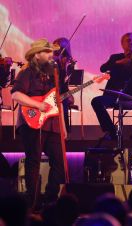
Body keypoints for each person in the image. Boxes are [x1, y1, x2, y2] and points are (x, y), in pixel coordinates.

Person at [11, 38, 66, 208]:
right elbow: (16, 95)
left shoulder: (54, 74)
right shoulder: (27, 73)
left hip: (53, 124)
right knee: (33, 161)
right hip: (31, 123)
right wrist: (38, 105)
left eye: (52, 52)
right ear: (36, 56)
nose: (52, 56)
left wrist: (62, 126)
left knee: (60, 162)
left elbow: (58, 101)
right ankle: (31, 203)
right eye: (48, 52)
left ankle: (50, 199)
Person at [91, 32, 132, 142]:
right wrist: (119, 62)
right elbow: (103, 68)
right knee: (96, 101)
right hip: (115, 94)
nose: (131, 43)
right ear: (122, 44)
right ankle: (111, 132)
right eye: (128, 40)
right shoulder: (115, 57)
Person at [53, 37, 76, 133]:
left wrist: (67, 67)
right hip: (52, 90)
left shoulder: (67, 62)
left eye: (59, 46)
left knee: (64, 100)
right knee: (61, 100)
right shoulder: (53, 60)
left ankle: (64, 131)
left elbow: (64, 82)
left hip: (63, 91)